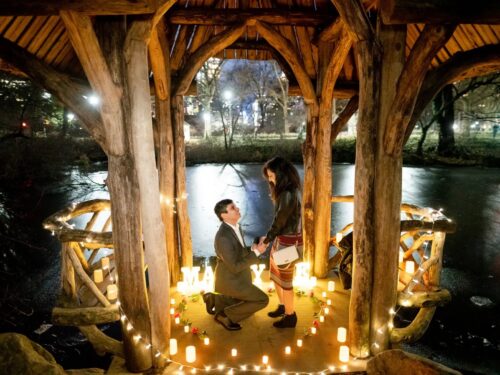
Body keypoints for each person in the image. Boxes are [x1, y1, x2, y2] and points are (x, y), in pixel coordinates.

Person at [203, 199, 268, 331]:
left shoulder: (236, 227)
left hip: (239, 276)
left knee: (246, 306)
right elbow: (234, 267)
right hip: (231, 279)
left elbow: (238, 251)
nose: (237, 209)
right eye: (233, 208)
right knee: (261, 300)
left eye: (236, 206)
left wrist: (252, 249)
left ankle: (215, 299)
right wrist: (256, 253)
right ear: (224, 215)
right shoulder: (223, 237)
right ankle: (224, 315)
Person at [260, 157, 302, 328]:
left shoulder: (288, 194)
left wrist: (267, 239)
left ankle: (290, 317)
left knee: (285, 282)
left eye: (271, 176)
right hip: (283, 240)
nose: (270, 180)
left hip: (288, 243)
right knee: (276, 276)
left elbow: (280, 220)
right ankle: (283, 306)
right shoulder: (289, 191)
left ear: (281, 174)